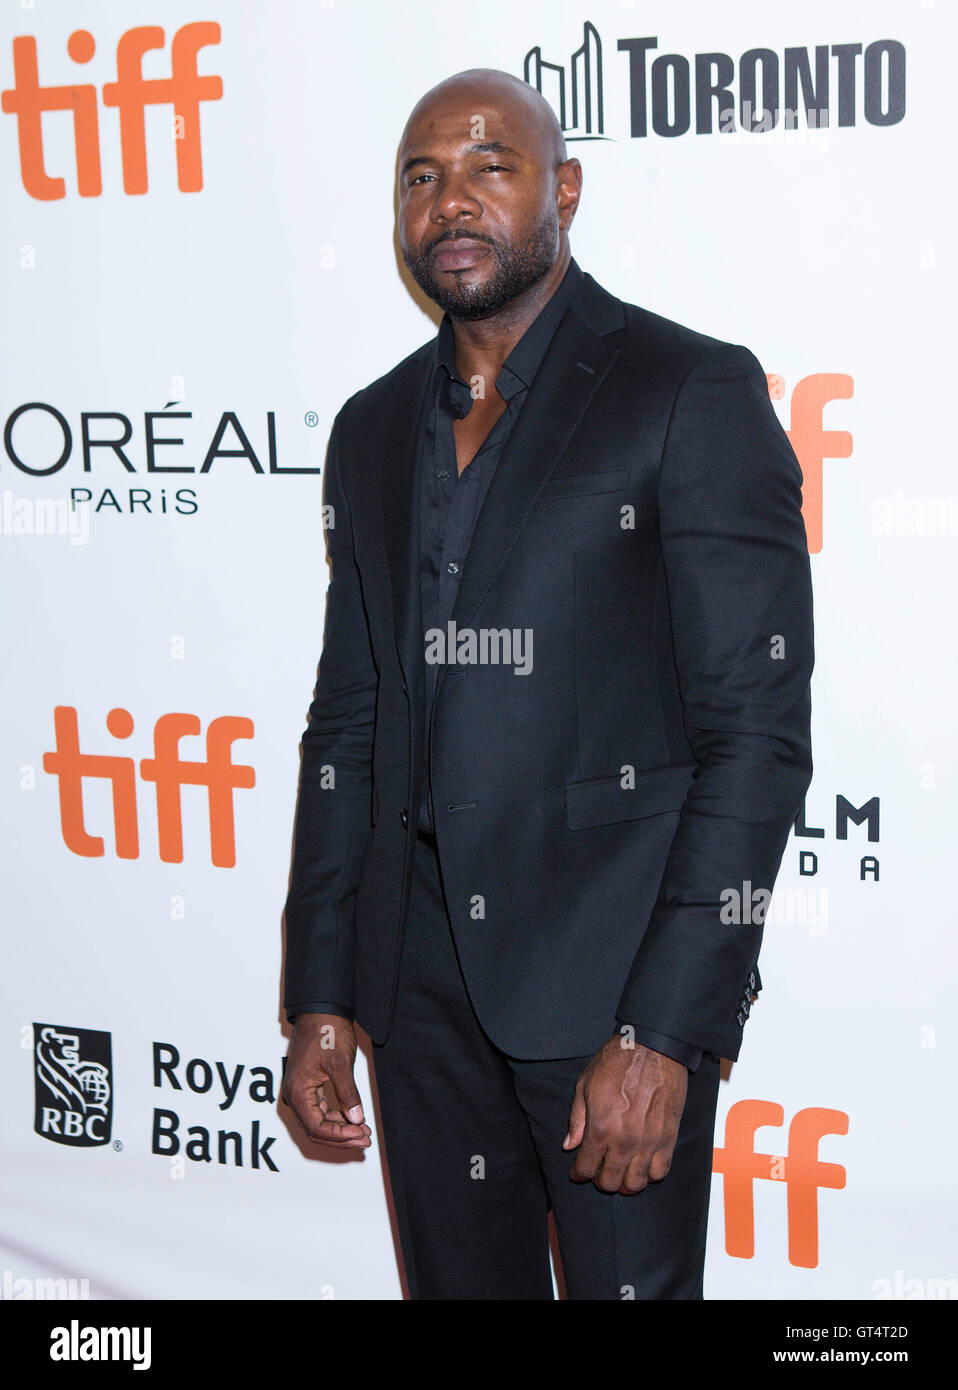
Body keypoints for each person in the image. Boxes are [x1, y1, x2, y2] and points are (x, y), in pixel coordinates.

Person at [280, 67, 814, 1300]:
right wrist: (322, 991)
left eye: (488, 167)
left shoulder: (686, 391)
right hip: (417, 1008)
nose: (450, 201)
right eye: (421, 177)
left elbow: (756, 734)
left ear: (563, 191)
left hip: (606, 1005)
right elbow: (347, 722)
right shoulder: (368, 430)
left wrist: (664, 1031)